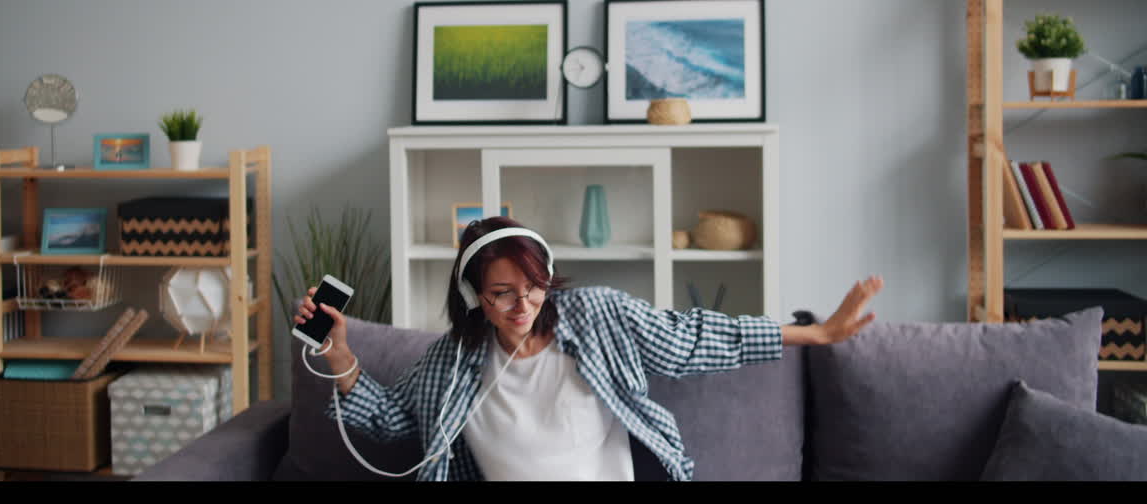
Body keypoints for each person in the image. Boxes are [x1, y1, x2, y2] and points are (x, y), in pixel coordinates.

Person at [293, 216, 884, 482]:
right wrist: (340, 352)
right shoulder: (453, 363)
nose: (523, 306)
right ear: (475, 297)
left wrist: (815, 333)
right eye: (502, 295)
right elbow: (394, 424)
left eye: (532, 288)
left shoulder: (597, 316)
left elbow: (693, 338)